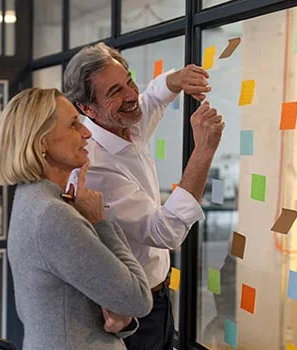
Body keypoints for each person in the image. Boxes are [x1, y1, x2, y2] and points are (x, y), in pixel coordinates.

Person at [64, 42, 224, 350]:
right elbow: (166, 232)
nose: (130, 95)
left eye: (129, 80)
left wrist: (177, 78)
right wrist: (203, 151)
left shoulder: (126, 122)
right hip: (131, 312)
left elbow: (152, 97)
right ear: (87, 109)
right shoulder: (94, 165)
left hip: (159, 298)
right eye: (114, 91)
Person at [0, 87, 153, 349]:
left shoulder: (34, 200)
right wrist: (100, 221)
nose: (86, 132)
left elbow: (100, 304)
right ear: (41, 142)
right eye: (74, 124)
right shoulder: (53, 215)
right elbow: (138, 298)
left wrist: (122, 318)